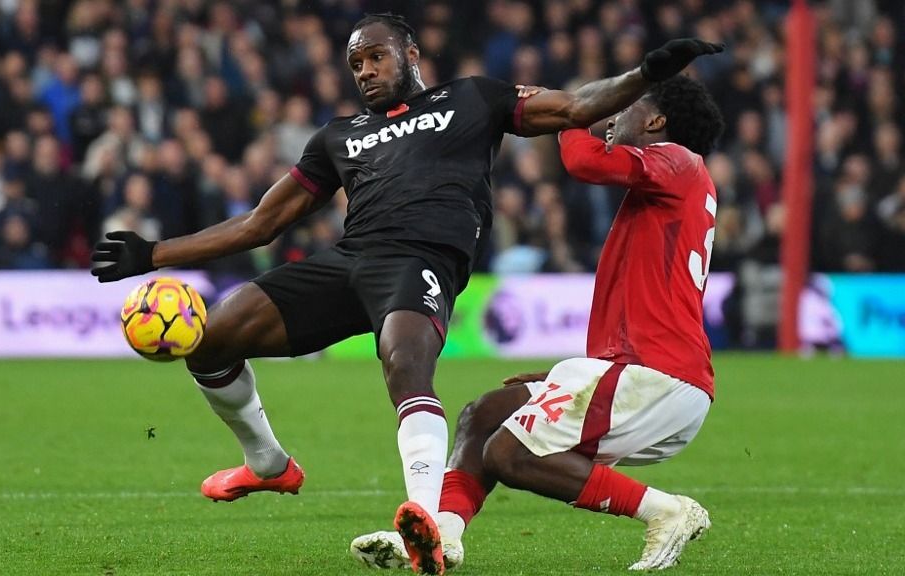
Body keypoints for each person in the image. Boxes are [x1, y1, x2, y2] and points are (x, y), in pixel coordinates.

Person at [91, 12, 722, 575]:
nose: (365, 70)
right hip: (350, 259)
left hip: (422, 259)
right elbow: (261, 223)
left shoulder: (473, 99)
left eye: (377, 56)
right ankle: (269, 464)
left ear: (411, 54)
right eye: (355, 63)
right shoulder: (338, 138)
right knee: (211, 339)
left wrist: (642, 74)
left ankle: (420, 519)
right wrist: (154, 253)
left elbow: (578, 109)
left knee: (405, 364)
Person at [351, 74, 726, 572]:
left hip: (658, 375)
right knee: (483, 415)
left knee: (510, 453)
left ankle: (666, 511)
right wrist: (577, 377)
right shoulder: (667, 183)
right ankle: (445, 535)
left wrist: (572, 111)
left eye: (626, 107)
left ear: (657, 121)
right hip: (637, 369)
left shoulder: (679, 160)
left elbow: (582, 160)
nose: (612, 115)